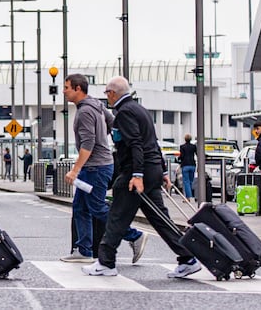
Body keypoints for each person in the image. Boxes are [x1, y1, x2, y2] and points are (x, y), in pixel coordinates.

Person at [83, 76, 200, 279]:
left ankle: (106, 262)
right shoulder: (140, 109)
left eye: (106, 93)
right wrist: (162, 171)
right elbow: (152, 142)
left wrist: (137, 175)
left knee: (117, 217)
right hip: (151, 170)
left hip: (137, 173)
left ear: (112, 93)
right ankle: (187, 258)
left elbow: (136, 144)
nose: (106, 98)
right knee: (161, 219)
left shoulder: (124, 113)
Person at [61, 74, 148, 264]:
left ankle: (134, 236)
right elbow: (113, 124)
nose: (64, 91)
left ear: (78, 89)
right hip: (98, 165)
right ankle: (83, 250)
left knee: (98, 208)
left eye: (67, 87)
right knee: (80, 207)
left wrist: (75, 170)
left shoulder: (85, 112)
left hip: (95, 168)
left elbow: (88, 143)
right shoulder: (97, 105)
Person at [178, 134, 197, 201]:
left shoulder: (182, 147)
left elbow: (182, 156)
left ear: (185, 139)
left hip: (185, 165)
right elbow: (197, 154)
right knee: (191, 181)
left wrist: (179, 158)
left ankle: (188, 197)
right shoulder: (194, 146)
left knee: (186, 181)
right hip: (192, 165)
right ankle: (192, 194)